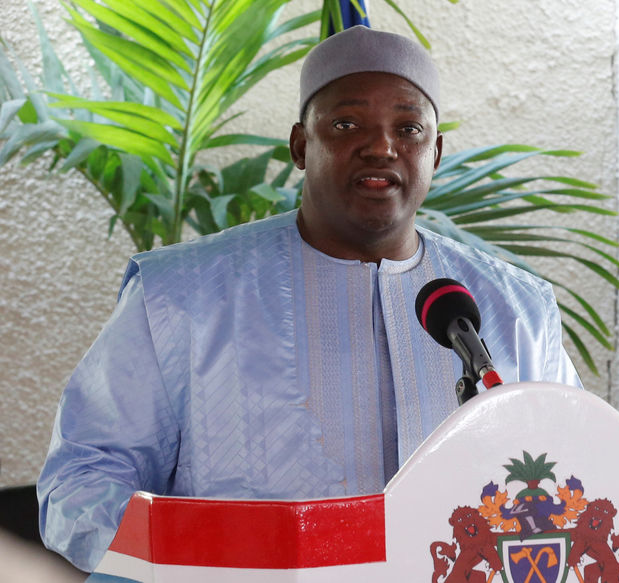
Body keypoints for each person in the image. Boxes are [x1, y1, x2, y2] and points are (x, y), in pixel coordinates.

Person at [37, 25, 582, 572]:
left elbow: (579, 476)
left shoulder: (518, 309)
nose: (381, 146)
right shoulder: (179, 295)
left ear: (434, 153)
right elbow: (81, 482)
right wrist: (209, 554)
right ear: (301, 145)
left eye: (409, 128)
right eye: (347, 124)